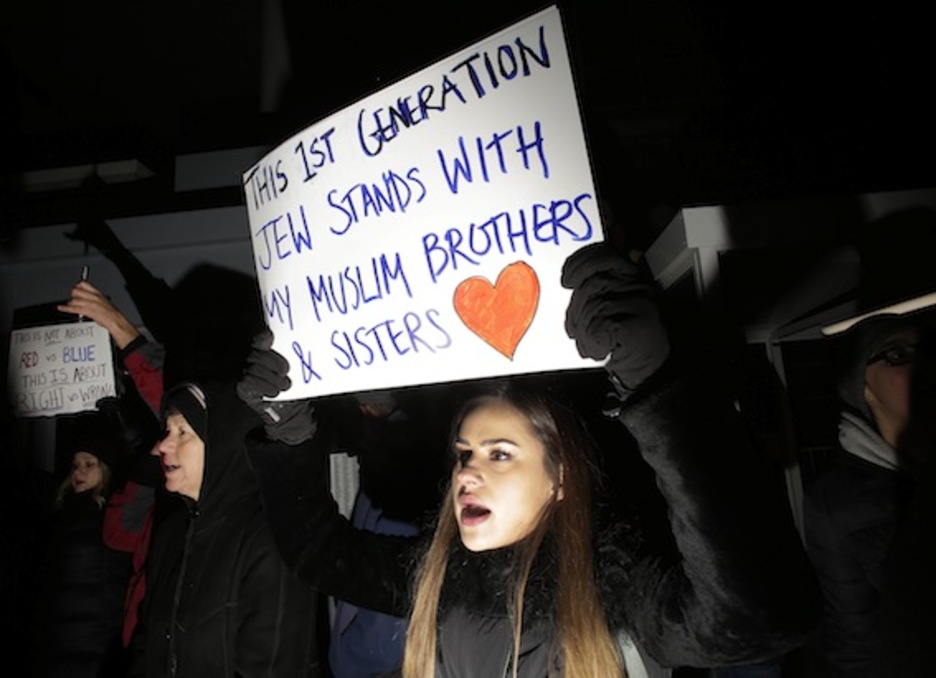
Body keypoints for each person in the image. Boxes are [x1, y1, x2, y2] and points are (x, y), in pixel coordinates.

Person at [239, 242, 820, 676]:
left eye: (500, 453)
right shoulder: (439, 580)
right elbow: (319, 555)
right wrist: (288, 436)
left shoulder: (610, 589)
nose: (466, 472)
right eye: (465, 452)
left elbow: (757, 618)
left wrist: (660, 385)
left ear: (559, 479)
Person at [128, 380, 322, 677]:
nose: (162, 446)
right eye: (167, 431)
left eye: (182, 432)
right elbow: (147, 644)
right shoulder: (172, 531)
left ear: (222, 447)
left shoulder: (268, 539)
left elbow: (272, 668)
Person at [803, 311, 936, 677]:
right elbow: (854, 640)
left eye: (928, 350)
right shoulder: (836, 502)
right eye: (895, 355)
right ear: (863, 388)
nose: (923, 365)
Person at [33, 418, 132, 678]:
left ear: (106, 469)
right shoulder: (60, 511)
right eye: (76, 466)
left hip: (93, 641)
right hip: (58, 637)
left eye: (89, 465)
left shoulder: (114, 515)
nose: (78, 473)